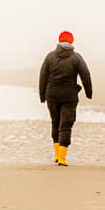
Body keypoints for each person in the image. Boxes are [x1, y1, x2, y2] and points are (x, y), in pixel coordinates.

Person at [38, 30, 93, 166]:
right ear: (71, 42)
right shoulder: (76, 57)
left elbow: (42, 77)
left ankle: (57, 156)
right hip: (69, 96)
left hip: (52, 95)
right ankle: (62, 157)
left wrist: (42, 95)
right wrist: (88, 92)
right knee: (66, 125)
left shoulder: (50, 57)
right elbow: (85, 75)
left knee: (55, 123)